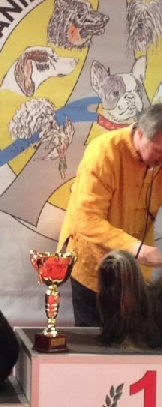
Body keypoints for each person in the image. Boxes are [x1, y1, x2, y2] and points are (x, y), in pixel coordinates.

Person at [58, 103, 162, 327]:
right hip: (96, 268)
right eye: (158, 150)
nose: (161, 158)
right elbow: (87, 220)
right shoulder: (103, 153)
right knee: (94, 343)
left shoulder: (158, 158)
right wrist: (139, 251)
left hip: (136, 276)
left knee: (134, 342)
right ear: (140, 134)